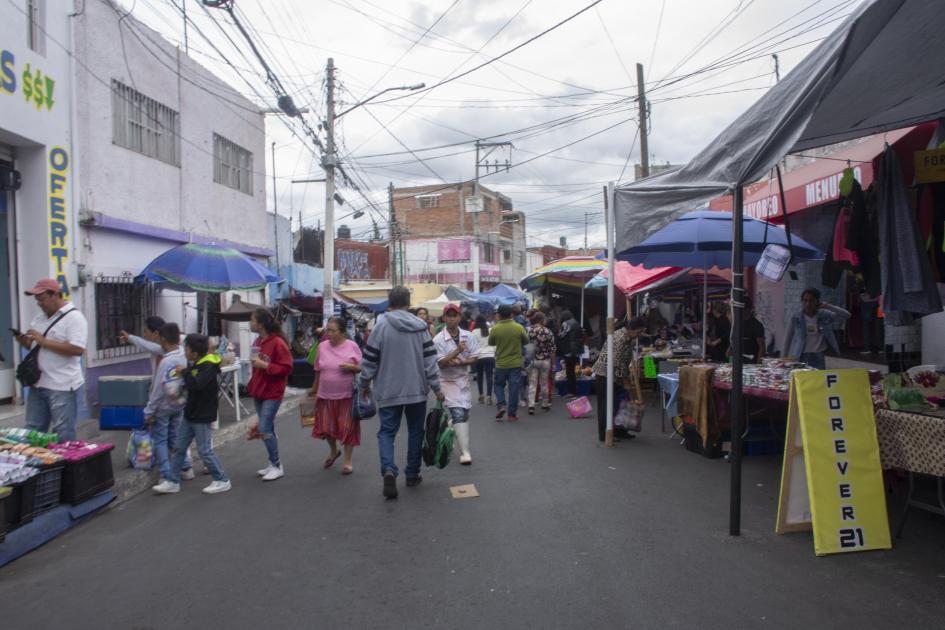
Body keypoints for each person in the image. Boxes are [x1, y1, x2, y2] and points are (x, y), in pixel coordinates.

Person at [359, 286, 444, 499]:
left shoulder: (380, 326)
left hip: (388, 390)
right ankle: (412, 474)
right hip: (416, 390)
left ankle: (389, 469)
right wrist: (437, 387)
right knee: (416, 431)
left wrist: (363, 384)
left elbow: (369, 360)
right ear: (408, 303)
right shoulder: (421, 327)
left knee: (387, 432)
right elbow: (430, 360)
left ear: (390, 303)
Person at [152, 334, 231, 495]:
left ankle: (222, 479)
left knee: (205, 451)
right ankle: (172, 481)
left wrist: (185, 372)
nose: (184, 351)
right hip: (190, 413)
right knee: (179, 448)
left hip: (202, 414)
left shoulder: (208, 365)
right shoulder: (196, 364)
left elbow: (196, 384)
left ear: (195, 353)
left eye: (187, 349)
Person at [17, 278, 88, 441]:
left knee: (63, 433)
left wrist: (44, 341)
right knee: (32, 431)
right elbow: (35, 346)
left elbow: (77, 349)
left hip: (62, 385)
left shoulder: (74, 318)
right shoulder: (39, 318)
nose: (39, 303)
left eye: (42, 299)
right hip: (38, 384)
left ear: (55, 295)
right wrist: (25, 342)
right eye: (37, 300)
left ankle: (65, 459)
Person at [310, 317, 362, 475]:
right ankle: (334, 450)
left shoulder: (352, 346)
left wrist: (352, 367)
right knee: (326, 428)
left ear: (343, 331)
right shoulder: (322, 346)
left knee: (347, 427)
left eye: (333, 331)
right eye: (328, 330)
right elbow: (318, 370)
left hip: (346, 395)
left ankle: (347, 461)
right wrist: (313, 390)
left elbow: (363, 368)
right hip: (325, 395)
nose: (329, 334)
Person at [144, 323, 194, 485]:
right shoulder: (183, 355)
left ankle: (166, 474)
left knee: (160, 440)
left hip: (163, 407)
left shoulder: (166, 362)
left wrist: (149, 411)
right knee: (176, 437)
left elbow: (158, 390)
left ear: (163, 339)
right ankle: (186, 467)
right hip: (179, 404)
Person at [247, 308, 294, 482]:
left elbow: (287, 368)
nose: (250, 323)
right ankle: (271, 462)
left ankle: (276, 465)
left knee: (264, 428)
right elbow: (255, 363)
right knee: (268, 428)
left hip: (273, 391)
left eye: (252, 320)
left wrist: (265, 365)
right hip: (258, 389)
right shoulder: (257, 341)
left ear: (261, 324)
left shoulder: (278, 343)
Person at [433, 304, 478, 465]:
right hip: (447, 381)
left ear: (459, 317)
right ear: (444, 318)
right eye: (449, 316)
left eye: (455, 315)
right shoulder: (438, 339)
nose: (452, 319)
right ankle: (465, 453)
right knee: (458, 414)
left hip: (463, 380)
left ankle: (449, 429)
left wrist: (462, 362)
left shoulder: (468, 336)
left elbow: (474, 357)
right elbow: (441, 363)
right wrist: (457, 351)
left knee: (464, 414)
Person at [592, 317, 646, 443]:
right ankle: (605, 434)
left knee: (619, 404)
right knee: (606, 406)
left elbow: (623, 362)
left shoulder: (627, 338)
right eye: (639, 332)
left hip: (616, 376)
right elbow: (616, 363)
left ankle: (620, 430)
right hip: (605, 375)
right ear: (631, 328)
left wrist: (625, 378)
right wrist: (625, 380)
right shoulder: (620, 337)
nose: (639, 335)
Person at [783, 287, 851, 370]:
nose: (808, 304)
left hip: (818, 355)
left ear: (817, 301)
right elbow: (788, 337)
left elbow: (847, 315)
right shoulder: (796, 317)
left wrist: (828, 306)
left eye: (811, 300)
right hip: (801, 355)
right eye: (805, 300)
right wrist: (784, 357)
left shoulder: (824, 315)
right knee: (801, 377)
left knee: (818, 377)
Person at [489, 303, 529, 421]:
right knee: (514, 388)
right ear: (511, 314)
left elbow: (491, 343)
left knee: (498, 385)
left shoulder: (495, 328)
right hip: (515, 363)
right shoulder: (518, 327)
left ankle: (501, 405)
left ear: (499, 315)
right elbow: (526, 341)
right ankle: (512, 414)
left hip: (500, 363)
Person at [526, 311, 556, 414]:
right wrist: (553, 363)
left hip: (533, 360)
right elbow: (552, 349)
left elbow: (525, 346)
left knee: (532, 383)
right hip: (545, 360)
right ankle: (544, 404)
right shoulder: (548, 332)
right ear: (541, 320)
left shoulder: (528, 331)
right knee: (544, 383)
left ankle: (531, 405)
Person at [732, 296, 766, 364]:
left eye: (740, 310)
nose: (738, 312)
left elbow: (762, 347)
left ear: (747, 310)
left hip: (751, 362)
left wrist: (758, 365)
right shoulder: (737, 323)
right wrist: (730, 348)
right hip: (737, 361)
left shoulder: (756, 325)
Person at [556, 310, 583, 399]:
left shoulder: (566, 324)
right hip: (577, 349)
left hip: (569, 349)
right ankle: (573, 391)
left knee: (569, 371)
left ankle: (572, 392)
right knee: (572, 370)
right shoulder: (577, 323)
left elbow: (561, 335)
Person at [472, 315, 495, 404]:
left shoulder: (474, 332)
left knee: (480, 376)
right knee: (489, 376)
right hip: (490, 355)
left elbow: (473, 345)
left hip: (479, 356)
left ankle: (481, 395)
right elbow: (494, 343)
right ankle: (489, 396)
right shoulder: (490, 330)